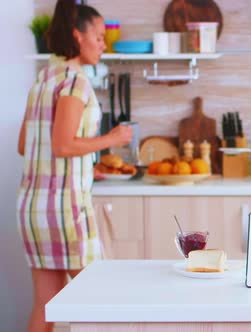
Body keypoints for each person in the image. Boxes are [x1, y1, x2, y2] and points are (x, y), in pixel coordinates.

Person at [16, 1, 133, 331]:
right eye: (97, 35)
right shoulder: (75, 81)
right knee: (99, 301)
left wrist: (86, 165)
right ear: (76, 35)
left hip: (32, 209)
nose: (102, 43)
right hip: (65, 210)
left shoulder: (44, 78)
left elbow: (27, 145)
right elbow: (63, 144)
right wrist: (112, 138)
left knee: (45, 305)